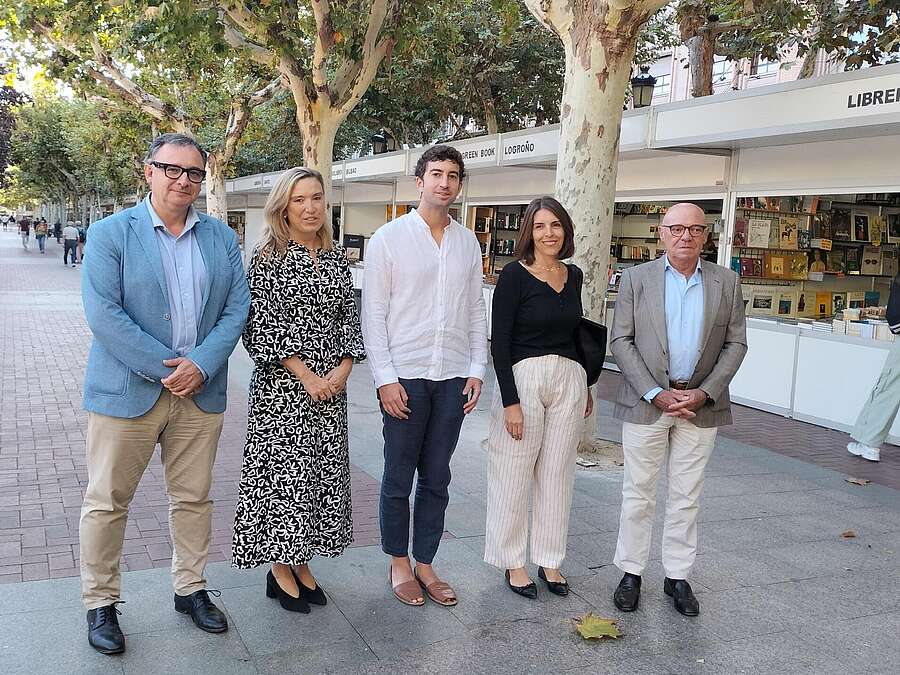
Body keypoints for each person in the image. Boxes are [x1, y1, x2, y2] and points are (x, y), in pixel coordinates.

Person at [79, 133, 250, 655]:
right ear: (148, 171)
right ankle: (100, 602)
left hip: (200, 393)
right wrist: (167, 368)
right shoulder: (110, 233)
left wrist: (201, 364)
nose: (183, 180)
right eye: (171, 169)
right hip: (127, 392)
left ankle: (190, 588)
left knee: (194, 498)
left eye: (194, 173)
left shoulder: (221, 238)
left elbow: (235, 308)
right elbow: (104, 314)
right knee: (107, 501)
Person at [232, 167, 365, 613]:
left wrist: (344, 369)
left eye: (316, 198)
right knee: (282, 482)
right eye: (299, 200)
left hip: (332, 389)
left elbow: (349, 317)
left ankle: (303, 560)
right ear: (282, 207)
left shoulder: (333, 256)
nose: (309, 208)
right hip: (282, 389)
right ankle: (279, 568)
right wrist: (306, 375)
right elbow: (260, 325)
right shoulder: (267, 257)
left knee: (320, 479)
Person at [362, 145, 487, 607]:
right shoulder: (389, 238)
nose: (444, 183)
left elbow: (475, 309)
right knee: (398, 475)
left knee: (437, 477)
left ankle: (426, 561)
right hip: (406, 377)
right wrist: (384, 379)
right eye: (436, 174)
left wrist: (477, 368)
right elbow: (373, 316)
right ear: (419, 181)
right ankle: (398, 561)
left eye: (453, 176)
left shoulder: (468, 241)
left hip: (453, 377)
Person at [609, 202, 747, 618]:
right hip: (648, 402)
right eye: (676, 228)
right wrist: (654, 391)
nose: (685, 236)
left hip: (700, 405)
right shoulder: (636, 278)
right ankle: (631, 571)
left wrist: (704, 392)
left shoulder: (727, 281)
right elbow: (621, 341)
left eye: (694, 229)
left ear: (706, 236)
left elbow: (736, 343)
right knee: (639, 493)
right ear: (661, 233)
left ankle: (677, 575)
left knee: (687, 495)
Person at [484, 196, 592, 599]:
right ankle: (513, 562)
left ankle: (550, 559)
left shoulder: (574, 275)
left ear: (565, 231)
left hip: (569, 380)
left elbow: (578, 333)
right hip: (524, 379)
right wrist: (510, 401)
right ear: (529, 231)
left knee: (558, 474)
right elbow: (502, 342)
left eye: (556, 226)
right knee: (512, 473)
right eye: (541, 226)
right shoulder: (514, 275)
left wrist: (588, 385)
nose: (549, 233)